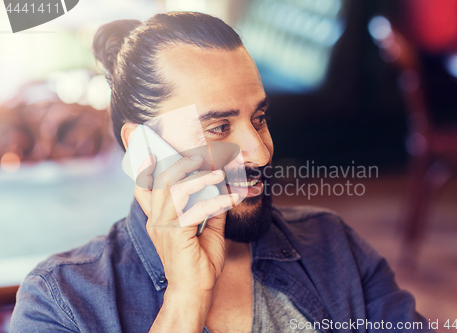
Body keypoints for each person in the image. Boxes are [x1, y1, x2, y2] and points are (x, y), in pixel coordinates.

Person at [10, 12, 432, 333]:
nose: (261, 153)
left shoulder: (335, 248)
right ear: (143, 148)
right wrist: (186, 298)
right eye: (219, 127)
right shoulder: (60, 302)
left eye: (260, 118)